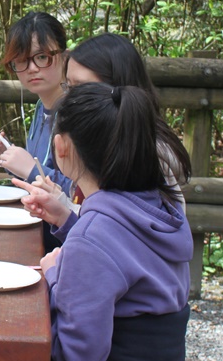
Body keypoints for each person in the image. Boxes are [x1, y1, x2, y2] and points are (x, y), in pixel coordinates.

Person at [0, 83, 223, 361]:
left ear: (60, 147)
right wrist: (68, 228)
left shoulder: (95, 236)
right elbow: (123, 256)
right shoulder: (160, 207)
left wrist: (56, 276)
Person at [23, 33, 191, 225]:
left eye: (81, 88)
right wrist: (62, 202)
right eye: (68, 87)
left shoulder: (141, 151)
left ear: (117, 90)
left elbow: (119, 231)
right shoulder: (102, 138)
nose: (70, 99)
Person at [0, 11, 71, 250]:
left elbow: (82, 192)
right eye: (21, 60)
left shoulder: (78, 113)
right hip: (38, 230)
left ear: (64, 56)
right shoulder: (42, 106)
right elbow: (38, 171)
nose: (31, 68)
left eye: (41, 57)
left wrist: (30, 169)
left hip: (65, 241)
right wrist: (8, 156)